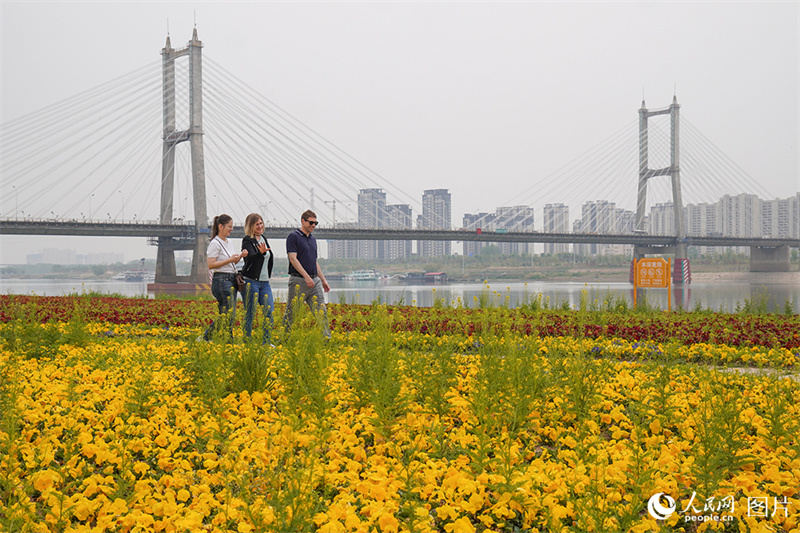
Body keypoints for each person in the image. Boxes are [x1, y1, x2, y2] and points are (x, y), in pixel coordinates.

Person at [284, 209, 330, 337]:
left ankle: (326, 338)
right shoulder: (294, 237)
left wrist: (323, 280)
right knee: (292, 312)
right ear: (303, 221)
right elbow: (293, 259)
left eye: (316, 223)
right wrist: (306, 276)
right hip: (299, 280)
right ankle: (285, 338)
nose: (313, 226)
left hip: (315, 281)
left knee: (322, 311)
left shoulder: (313, 239)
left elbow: (314, 261)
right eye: (311, 223)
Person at [203, 214, 247, 341]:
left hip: (231, 278)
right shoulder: (215, 243)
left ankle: (214, 338)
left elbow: (231, 263)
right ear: (220, 226)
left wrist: (240, 257)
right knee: (228, 313)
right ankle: (219, 339)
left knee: (228, 314)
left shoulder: (230, 242)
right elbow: (211, 265)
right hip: (221, 280)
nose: (231, 229)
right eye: (229, 227)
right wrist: (230, 259)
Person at [241, 213, 275, 345]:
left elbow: (268, 258)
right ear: (251, 226)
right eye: (257, 224)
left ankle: (266, 342)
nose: (260, 226)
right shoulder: (247, 240)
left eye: (261, 223)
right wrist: (260, 253)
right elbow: (249, 258)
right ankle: (247, 342)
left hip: (265, 282)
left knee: (269, 311)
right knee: (250, 312)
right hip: (251, 281)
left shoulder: (264, 239)